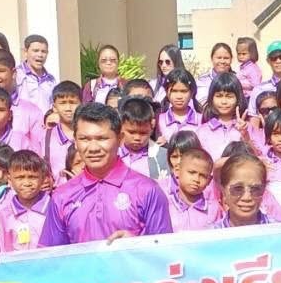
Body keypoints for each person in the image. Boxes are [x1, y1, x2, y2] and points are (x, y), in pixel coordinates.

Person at [36, 102, 174, 246]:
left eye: (102, 138)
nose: (93, 148)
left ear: (120, 139)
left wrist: (137, 246)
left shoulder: (148, 191)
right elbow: (50, 255)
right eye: (84, 139)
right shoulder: (62, 196)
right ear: (75, 141)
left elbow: (165, 251)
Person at [214, 152, 274, 229]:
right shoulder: (210, 234)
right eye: (238, 188)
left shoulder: (280, 232)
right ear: (223, 192)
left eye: (255, 189)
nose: (247, 198)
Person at [17, 34, 57, 112]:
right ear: (25, 52)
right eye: (35, 51)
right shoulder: (17, 75)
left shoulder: (51, 80)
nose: (40, 55)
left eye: (43, 51)